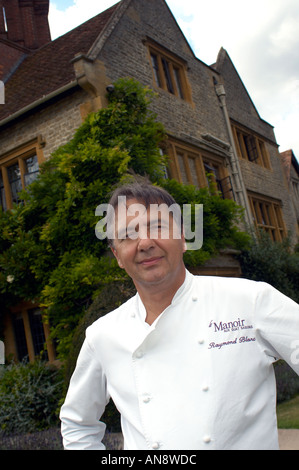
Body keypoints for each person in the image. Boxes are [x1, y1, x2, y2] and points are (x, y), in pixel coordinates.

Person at [60, 182, 299, 450]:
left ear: (183, 237)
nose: (145, 243)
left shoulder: (250, 301)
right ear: (117, 255)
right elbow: (77, 425)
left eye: (158, 226)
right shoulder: (102, 335)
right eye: (128, 234)